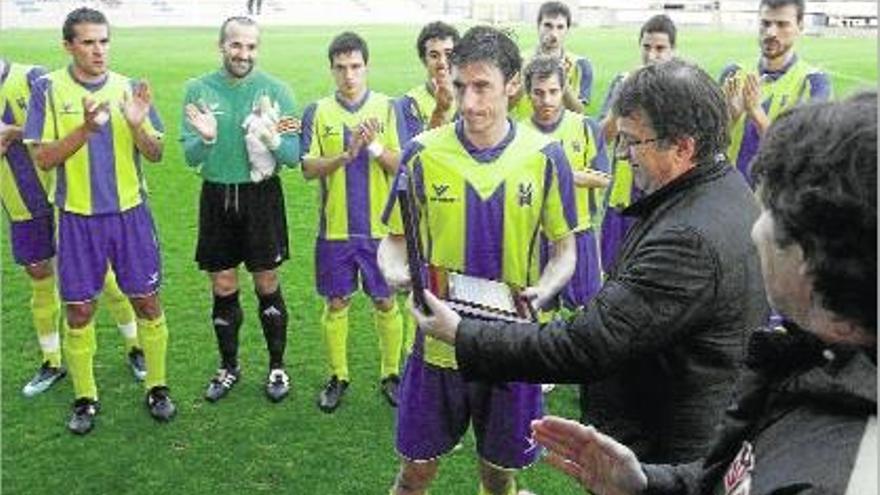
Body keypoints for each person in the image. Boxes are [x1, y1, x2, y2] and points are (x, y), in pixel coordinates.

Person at [411, 58, 769, 464]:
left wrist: (461, 333)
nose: (622, 155)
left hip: (664, 453)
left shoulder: (688, 239)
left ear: (684, 147)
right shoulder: (724, 190)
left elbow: (586, 345)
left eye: (634, 141)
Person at [529, 92, 877, 495]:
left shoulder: (850, 475)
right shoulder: (821, 364)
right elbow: (741, 476)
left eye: (769, 214)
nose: (754, 229)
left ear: (814, 258)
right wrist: (647, 485)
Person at [378, 26, 578, 495]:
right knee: (414, 474)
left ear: (512, 85)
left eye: (482, 86)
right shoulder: (422, 153)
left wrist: (544, 290)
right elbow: (392, 242)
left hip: (511, 350)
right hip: (436, 350)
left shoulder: (546, 157)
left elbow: (565, 251)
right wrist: (395, 273)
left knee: (498, 471)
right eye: (460, 86)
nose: (468, 102)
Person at [22, 7, 175, 434]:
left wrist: (139, 127)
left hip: (130, 216)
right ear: (68, 45)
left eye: (104, 41)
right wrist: (85, 130)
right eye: (88, 42)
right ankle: (85, 397)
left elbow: (156, 154)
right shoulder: (48, 89)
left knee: (146, 299)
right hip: (76, 219)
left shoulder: (128, 88)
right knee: (79, 309)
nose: (98, 50)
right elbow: (44, 157)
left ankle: (158, 387)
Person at [1, 59, 149, 397]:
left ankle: (134, 347)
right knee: (39, 275)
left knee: (104, 277)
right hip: (18, 202)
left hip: (66, 198)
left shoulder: (33, 78)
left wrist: (12, 132)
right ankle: (51, 361)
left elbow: (54, 132)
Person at [182, 16, 300, 404]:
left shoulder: (278, 92)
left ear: (257, 49)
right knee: (223, 284)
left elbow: (294, 156)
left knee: (266, 282)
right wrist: (206, 139)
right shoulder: (198, 90)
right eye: (236, 45)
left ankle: (277, 366)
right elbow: (189, 156)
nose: (243, 54)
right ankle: (229, 366)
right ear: (222, 46)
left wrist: (272, 139)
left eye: (250, 47)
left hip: (261, 197)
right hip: (217, 195)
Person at [300, 31, 404, 413]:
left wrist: (373, 147)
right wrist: (345, 156)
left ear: (367, 66)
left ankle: (391, 373)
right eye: (341, 68)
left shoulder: (388, 109)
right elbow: (308, 168)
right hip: (335, 230)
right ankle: (338, 375)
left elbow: (401, 165)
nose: (349, 75)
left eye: (355, 66)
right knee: (337, 302)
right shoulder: (318, 111)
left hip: (380, 231)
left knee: (385, 300)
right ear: (331, 69)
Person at [522, 55, 608, 312]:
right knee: (537, 311)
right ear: (528, 93)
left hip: (579, 232)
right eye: (538, 93)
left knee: (586, 312)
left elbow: (604, 178)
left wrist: (564, 174)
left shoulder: (585, 127)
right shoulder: (518, 133)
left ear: (564, 90)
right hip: (536, 236)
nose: (546, 100)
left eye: (553, 91)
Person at [720, 0, 831, 186]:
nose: (771, 32)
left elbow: (804, 157)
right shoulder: (733, 73)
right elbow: (707, 146)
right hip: (728, 193)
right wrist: (731, 117)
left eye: (782, 24)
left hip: (776, 202)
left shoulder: (813, 83)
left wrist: (756, 113)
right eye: (765, 23)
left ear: (800, 27)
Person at [598, 14, 676, 272]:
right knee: (613, 270)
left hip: (660, 196)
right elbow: (602, 139)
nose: (652, 55)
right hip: (621, 196)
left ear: (672, 51)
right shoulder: (623, 83)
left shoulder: (680, 89)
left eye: (660, 48)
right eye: (646, 47)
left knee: (653, 272)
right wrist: (620, 101)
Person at [510, 1, 593, 120]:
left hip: (562, 137)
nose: (554, 33)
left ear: (567, 30)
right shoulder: (518, 60)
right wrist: (526, 76)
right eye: (548, 25)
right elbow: (505, 106)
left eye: (560, 27)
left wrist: (562, 80)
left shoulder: (581, 65)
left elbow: (579, 113)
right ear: (538, 26)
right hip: (526, 134)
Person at [396, 21, 460, 144]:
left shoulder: (472, 99)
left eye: (449, 54)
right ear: (424, 60)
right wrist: (440, 111)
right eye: (434, 55)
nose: (442, 62)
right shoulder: (408, 104)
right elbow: (413, 156)